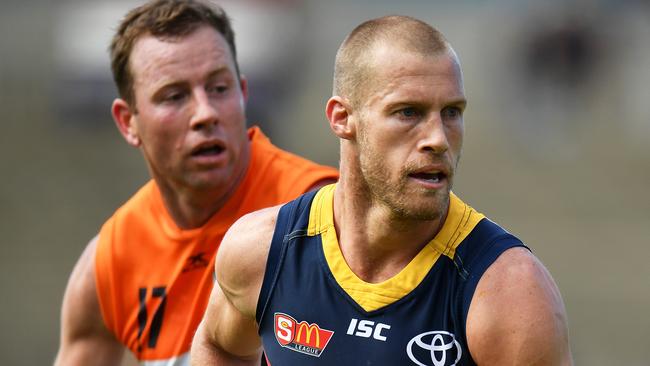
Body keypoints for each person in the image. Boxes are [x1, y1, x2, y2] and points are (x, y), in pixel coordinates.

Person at [191, 15, 573, 366]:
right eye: (408, 112)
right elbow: (220, 347)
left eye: (452, 113)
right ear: (343, 119)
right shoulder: (262, 251)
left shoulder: (510, 294)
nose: (438, 139)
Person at [54, 0, 338, 365]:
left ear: (243, 92)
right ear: (128, 122)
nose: (205, 113)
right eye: (175, 96)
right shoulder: (111, 260)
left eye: (219, 88)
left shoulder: (318, 217)